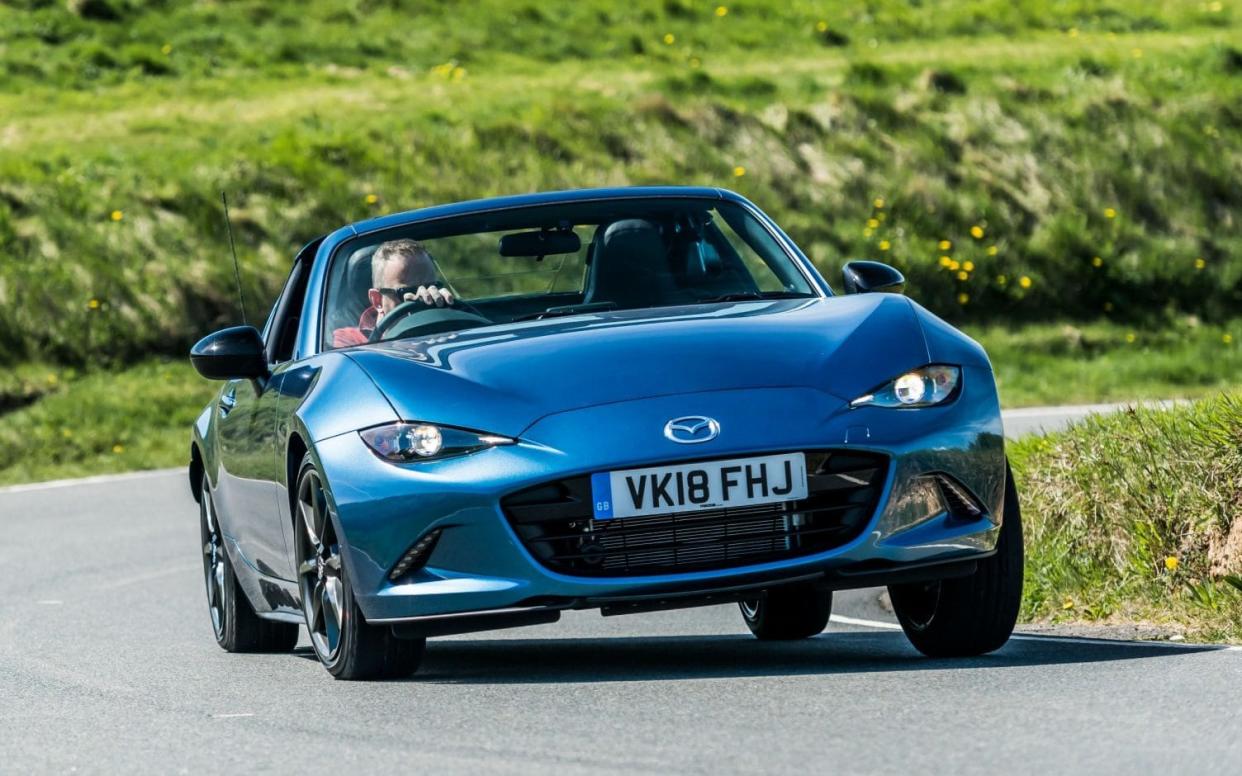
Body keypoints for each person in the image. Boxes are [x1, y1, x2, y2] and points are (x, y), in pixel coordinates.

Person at [333, 238, 454, 347]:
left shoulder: (452, 325)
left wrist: (449, 316)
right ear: (377, 300)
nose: (423, 297)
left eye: (432, 287)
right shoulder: (349, 341)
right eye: (407, 292)